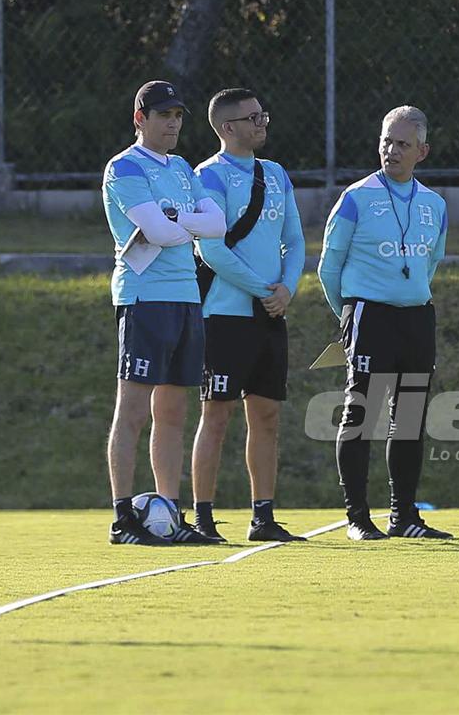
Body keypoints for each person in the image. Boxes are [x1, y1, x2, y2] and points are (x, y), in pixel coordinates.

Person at [317, 106, 451, 541]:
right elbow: (328, 267)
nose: (391, 151)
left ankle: (405, 516)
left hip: (416, 319)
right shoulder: (356, 198)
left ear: (422, 151)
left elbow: (431, 262)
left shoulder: (435, 204)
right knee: (360, 415)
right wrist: (350, 315)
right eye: (386, 142)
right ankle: (358, 518)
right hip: (368, 316)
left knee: (409, 418)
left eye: (402, 144)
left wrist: (407, 296)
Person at [101, 80, 226, 545]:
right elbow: (155, 229)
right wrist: (178, 223)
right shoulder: (125, 167)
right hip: (143, 297)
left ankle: (170, 515)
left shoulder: (181, 168)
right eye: (163, 115)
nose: (172, 123)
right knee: (132, 410)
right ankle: (123, 518)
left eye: (177, 116)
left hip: (186, 296)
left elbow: (216, 224)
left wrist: (178, 221)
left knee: (173, 412)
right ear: (141, 119)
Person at [189, 88, 307, 543]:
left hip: (270, 314)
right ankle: (203, 517)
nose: (262, 124)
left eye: (263, 115)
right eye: (252, 118)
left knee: (267, 416)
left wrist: (287, 289)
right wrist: (264, 289)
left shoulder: (275, 174)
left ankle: (263, 517)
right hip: (225, 314)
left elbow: (294, 240)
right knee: (215, 415)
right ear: (227, 128)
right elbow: (211, 249)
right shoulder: (209, 177)